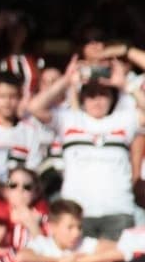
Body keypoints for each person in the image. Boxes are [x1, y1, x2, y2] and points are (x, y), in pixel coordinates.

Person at [28, 57, 141, 241]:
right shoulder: (69, 119)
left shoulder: (124, 120)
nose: (97, 100)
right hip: (77, 214)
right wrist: (66, 80)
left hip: (118, 211)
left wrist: (126, 84)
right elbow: (34, 107)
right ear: (82, 98)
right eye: (91, 94)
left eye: (103, 93)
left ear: (112, 97)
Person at [17, 200, 99, 262]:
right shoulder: (42, 244)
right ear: (52, 227)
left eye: (79, 227)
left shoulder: (84, 243)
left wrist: (78, 261)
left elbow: (111, 252)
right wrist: (59, 260)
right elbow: (21, 257)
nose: (76, 233)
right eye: (70, 227)